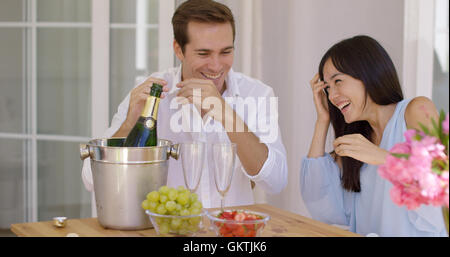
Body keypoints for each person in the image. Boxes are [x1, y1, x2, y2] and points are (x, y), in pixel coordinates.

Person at [82, 0, 287, 208]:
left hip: (230, 233)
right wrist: (129, 124)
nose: (216, 65)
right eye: (203, 53)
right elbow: (91, 179)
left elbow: (276, 182)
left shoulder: (257, 94)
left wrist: (225, 113)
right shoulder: (151, 94)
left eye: (225, 52)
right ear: (178, 50)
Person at [300, 35, 447, 236]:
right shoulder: (358, 139)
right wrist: (322, 121)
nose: (332, 95)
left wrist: (382, 157)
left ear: (367, 75)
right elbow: (318, 202)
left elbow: (440, 181)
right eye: (327, 88)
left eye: (338, 81)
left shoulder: (415, 111)